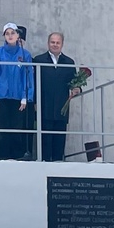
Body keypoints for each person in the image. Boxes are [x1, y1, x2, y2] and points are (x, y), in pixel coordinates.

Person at [0, 23, 35, 160]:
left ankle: (17, 157)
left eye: (13, 33)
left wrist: (26, 96)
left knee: (17, 128)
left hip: (18, 98)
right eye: (7, 33)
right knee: (0, 129)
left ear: (18, 35)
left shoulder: (25, 54)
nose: (10, 36)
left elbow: (28, 76)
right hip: (1, 97)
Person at [34, 32, 79, 163]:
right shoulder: (39, 60)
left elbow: (74, 82)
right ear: (48, 43)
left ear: (62, 44)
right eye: (52, 42)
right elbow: (33, 83)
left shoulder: (69, 62)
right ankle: (45, 163)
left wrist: (77, 89)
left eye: (57, 42)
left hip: (61, 107)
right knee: (45, 139)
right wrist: (35, 102)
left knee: (59, 139)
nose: (55, 45)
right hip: (44, 106)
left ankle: (58, 164)